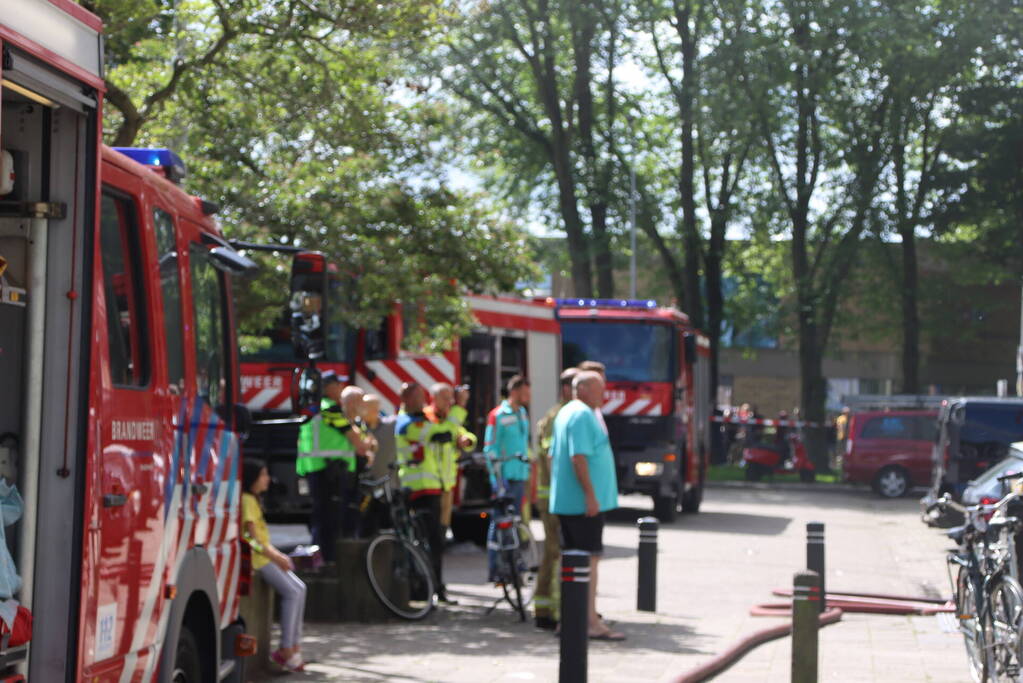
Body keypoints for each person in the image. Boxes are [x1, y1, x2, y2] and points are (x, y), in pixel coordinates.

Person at [550, 370, 624, 641]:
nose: (604, 395)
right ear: (583, 389)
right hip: (582, 505)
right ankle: (589, 621)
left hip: (570, 501)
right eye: (600, 389)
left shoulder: (567, 411)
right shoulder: (581, 414)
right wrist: (590, 495)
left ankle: (570, 619)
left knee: (573, 564)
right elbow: (578, 457)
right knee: (587, 563)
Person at [395, 382, 476, 603]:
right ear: (409, 399)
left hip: (437, 486)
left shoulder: (423, 418)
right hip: (421, 488)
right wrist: (460, 407)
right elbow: (440, 433)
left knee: (436, 540)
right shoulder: (409, 422)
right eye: (421, 397)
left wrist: (464, 438)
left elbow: (454, 433)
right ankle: (428, 588)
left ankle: (436, 587)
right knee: (431, 540)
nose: (424, 401)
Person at [296, 372, 372, 562]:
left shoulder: (321, 408)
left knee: (326, 518)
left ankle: (323, 559)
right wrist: (365, 443)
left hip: (326, 469)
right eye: (338, 385)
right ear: (328, 387)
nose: (340, 388)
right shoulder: (329, 408)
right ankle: (327, 562)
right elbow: (359, 444)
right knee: (329, 521)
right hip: (327, 470)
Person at [242, 459, 308, 672]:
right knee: (292, 592)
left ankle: (294, 646)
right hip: (258, 559)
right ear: (252, 478)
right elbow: (253, 540)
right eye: (263, 475)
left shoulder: (253, 500)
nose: (267, 479)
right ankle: (286, 649)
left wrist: (277, 555)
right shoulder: (246, 501)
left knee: (300, 589)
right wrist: (277, 557)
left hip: (265, 557)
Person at [533, 367, 578, 630]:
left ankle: (546, 609)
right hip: (553, 495)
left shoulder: (563, 413)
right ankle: (551, 611)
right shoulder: (557, 416)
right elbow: (552, 457)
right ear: (565, 389)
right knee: (554, 552)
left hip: (554, 494)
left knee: (553, 552)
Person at [484, 375, 532, 581]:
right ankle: (495, 569)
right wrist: (497, 478)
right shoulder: (498, 415)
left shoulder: (522, 413)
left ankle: (514, 565)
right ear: (514, 392)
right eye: (525, 392)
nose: (528, 396)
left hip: (519, 476)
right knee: (499, 522)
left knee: (514, 522)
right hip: (504, 477)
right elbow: (490, 448)